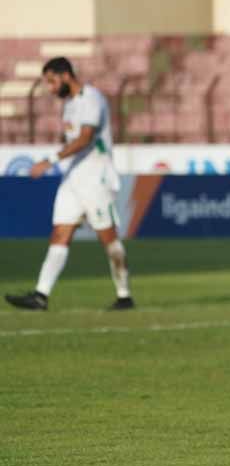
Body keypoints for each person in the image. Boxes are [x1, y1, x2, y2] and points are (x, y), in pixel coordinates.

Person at [5, 57, 134, 312]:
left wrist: (49, 160)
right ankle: (41, 295)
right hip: (73, 178)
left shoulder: (91, 99)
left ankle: (124, 295)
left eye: (52, 81)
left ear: (65, 76)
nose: (51, 88)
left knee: (108, 237)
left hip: (96, 179)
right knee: (60, 234)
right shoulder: (70, 105)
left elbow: (85, 139)